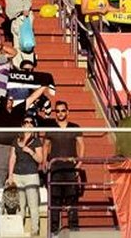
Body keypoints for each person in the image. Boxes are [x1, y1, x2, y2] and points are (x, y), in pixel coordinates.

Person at [44, 101, 84, 235]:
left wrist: (79, 164)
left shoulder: (75, 127)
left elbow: (82, 145)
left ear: (67, 112)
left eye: (63, 110)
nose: (60, 113)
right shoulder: (51, 128)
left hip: (70, 169)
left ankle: (74, 227)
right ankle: (54, 229)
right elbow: (45, 146)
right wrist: (45, 162)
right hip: (55, 169)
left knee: (72, 198)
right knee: (55, 200)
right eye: (58, 111)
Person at [9, 115, 45, 236]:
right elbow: (12, 158)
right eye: (26, 122)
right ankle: (18, 230)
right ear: (22, 125)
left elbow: (40, 159)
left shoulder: (36, 141)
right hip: (17, 175)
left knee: (33, 205)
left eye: (31, 122)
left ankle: (35, 230)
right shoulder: (16, 140)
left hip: (31, 175)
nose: (28, 124)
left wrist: (30, 151)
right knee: (20, 205)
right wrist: (10, 175)